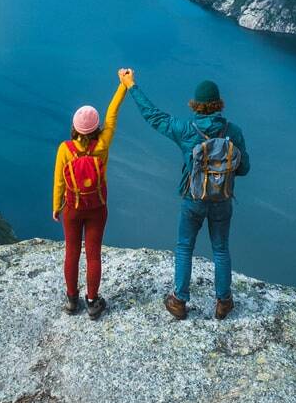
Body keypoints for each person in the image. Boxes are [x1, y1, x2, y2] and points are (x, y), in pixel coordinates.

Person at [123, 69, 248, 320]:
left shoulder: (186, 129)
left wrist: (131, 86)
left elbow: (154, 117)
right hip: (222, 200)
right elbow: (244, 168)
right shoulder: (233, 131)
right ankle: (223, 301)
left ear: (196, 105)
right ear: (218, 104)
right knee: (221, 248)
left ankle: (179, 300)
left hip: (194, 198)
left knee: (184, 247)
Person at [53, 73, 129, 319]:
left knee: (72, 252)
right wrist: (123, 85)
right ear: (96, 128)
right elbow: (112, 115)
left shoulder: (65, 149)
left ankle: (72, 300)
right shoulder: (103, 145)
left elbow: (59, 181)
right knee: (93, 253)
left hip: (72, 208)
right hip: (97, 207)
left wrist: (57, 206)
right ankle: (93, 301)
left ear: (74, 127)